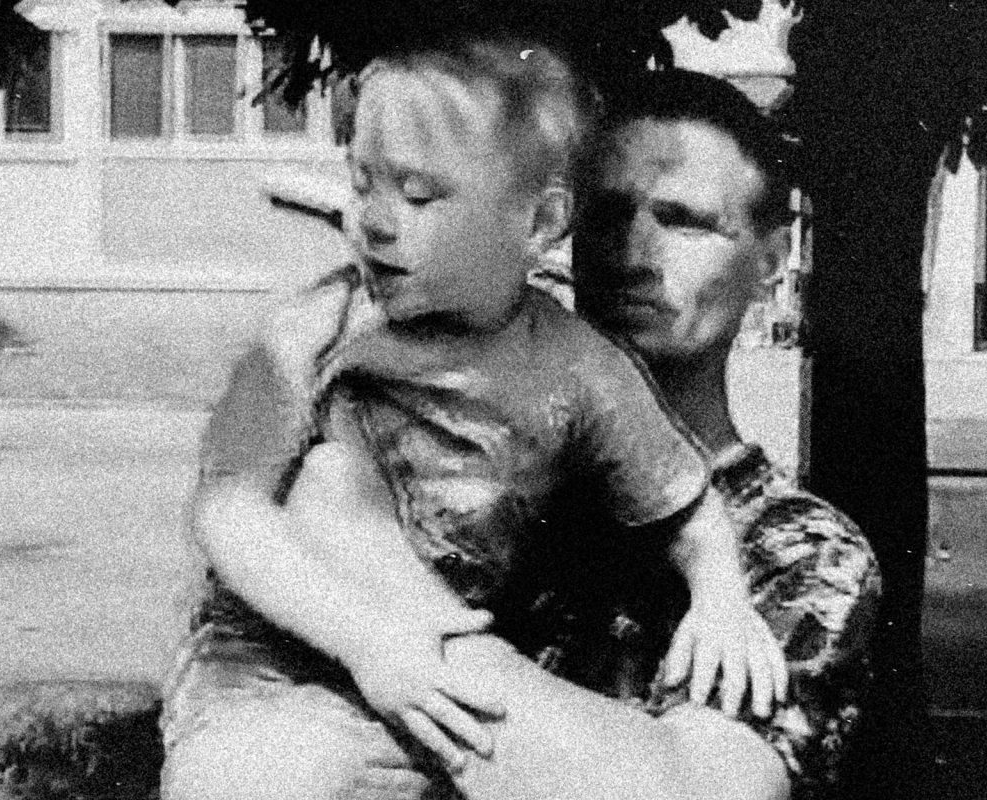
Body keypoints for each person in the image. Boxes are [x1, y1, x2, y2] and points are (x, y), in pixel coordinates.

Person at [160, 56, 878, 800]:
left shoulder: (795, 554)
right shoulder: (419, 413)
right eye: (608, 215)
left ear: (772, 259)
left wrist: (383, 582)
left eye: (684, 221)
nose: (633, 256)